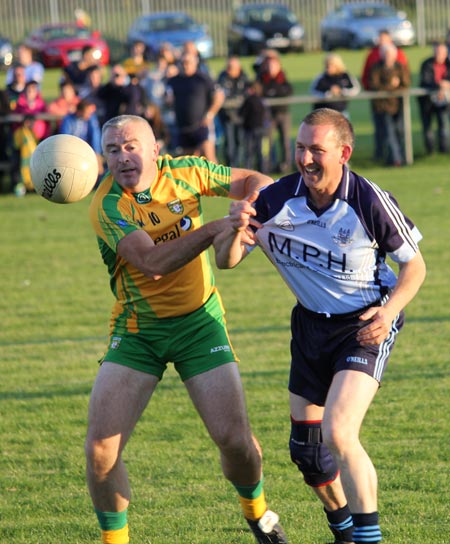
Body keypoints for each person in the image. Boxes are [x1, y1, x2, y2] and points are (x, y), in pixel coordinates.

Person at [214, 108, 426, 544]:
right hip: (310, 327)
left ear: (343, 153)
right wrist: (235, 229)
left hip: (364, 325)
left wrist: (387, 314)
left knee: (339, 432)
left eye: (317, 150)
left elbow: (415, 267)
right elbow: (226, 261)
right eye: (300, 147)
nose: (306, 158)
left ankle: (368, 540)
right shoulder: (276, 198)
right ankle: (344, 531)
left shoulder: (367, 199)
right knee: (308, 454)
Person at [85, 114, 288, 544]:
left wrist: (248, 209)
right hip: (139, 331)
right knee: (100, 453)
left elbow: (258, 177)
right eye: (113, 150)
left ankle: (257, 513)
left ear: (156, 149)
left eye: (132, 146)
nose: (124, 158)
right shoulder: (106, 205)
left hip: (200, 323)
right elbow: (153, 264)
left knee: (236, 443)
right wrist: (218, 227)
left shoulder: (186, 171)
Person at [360, 30, 410, 161]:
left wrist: (395, 86)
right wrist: (391, 86)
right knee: (384, 131)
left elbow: (405, 81)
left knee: (398, 131)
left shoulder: (400, 59)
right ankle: (390, 158)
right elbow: (370, 81)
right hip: (381, 104)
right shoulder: (373, 58)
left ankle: (398, 157)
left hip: (398, 103)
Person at [166, 51, 224, 160]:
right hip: (183, 126)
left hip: (201, 126)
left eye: (188, 62)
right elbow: (168, 99)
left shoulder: (203, 79)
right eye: (183, 62)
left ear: (195, 63)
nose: (185, 65)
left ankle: (217, 177)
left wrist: (210, 114)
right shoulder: (174, 80)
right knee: (188, 162)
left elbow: (219, 96)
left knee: (209, 157)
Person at [257, 50, 293, 173]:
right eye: (269, 65)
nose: (271, 68)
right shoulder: (262, 77)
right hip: (268, 115)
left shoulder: (282, 77)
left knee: (285, 140)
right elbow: (261, 92)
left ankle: (286, 164)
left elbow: (286, 91)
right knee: (268, 142)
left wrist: (273, 91)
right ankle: (268, 165)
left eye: (273, 65)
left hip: (282, 113)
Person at [417, 41, 450, 154]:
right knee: (428, 127)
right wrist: (439, 86)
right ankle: (430, 151)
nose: (439, 55)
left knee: (443, 125)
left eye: (441, 52)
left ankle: (444, 150)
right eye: (437, 52)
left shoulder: (448, 65)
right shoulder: (426, 64)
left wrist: (446, 85)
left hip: (444, 101)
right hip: (427, 101)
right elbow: (426, 81)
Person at [59, 98, 104, 177]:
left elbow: (95, 136)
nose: (89, 115)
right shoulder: (68, 120)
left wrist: (97, 154)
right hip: (72, 152)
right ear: (79, 112)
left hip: (87, 150)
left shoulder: (90, 118)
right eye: (87, 113)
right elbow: (65, 138)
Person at [217, 55, 249, 166]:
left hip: (242, 116)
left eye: (233, 67)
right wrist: (236, 101)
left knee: (240, 141)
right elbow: (221, 98)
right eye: (228, 66)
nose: (230, 69)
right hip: (227, 116)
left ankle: (239, 165)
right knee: (229, 143)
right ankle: (230, 166)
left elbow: (246, 96)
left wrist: (236, 101)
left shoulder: (244, 77)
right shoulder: (223, 78)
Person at [310, 53, 360, 117]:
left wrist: (341, 91)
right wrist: (328, 94)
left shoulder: (345, 76)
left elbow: (355, 89)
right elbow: (313, 91)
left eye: (331, 65)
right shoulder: (321, 77)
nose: (328, 68)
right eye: (327, 65)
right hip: (323, 114)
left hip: (341, 112)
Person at [238, 80, 267, 172]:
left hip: (249, 129)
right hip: (261, 129)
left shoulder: (248, 100)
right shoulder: (262, 101)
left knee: (249, 152)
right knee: (261, 152)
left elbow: (242, 113)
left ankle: (248, 170)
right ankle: (263, 170)